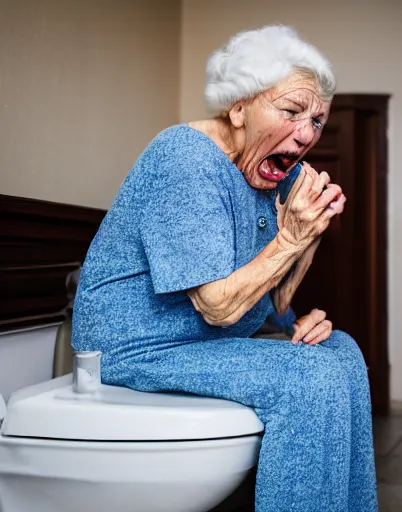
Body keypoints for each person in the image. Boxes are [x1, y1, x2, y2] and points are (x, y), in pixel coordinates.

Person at [72, 24, 378, 512]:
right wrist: (291, 237)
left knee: (340, 352)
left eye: (318, 121)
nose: (306, 134)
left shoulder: (277, 172)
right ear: (238, 107)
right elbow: (216, 306)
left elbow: (272, 301)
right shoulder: (185, 159)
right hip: (138, 350)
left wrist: (309, 238)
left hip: (211, 343)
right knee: (307, 378)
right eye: (292, 111)